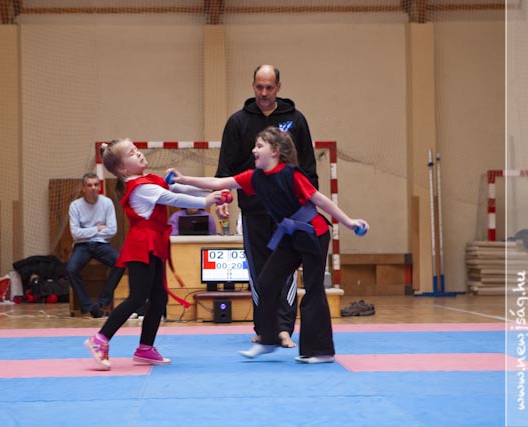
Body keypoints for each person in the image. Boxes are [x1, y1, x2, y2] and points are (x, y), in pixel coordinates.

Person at [168, 126, 369, 363]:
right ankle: (268, 339)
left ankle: (321, 351)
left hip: (313, 233)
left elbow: (320, 200)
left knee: (313, 290)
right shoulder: (254, 177)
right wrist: (182, 179)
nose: (254, 150)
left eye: (259, 146)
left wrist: (348, 222)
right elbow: (218, 182)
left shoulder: (292, 175)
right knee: (266, 282)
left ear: (274, 151)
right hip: (290, 235)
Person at [84, 138, 224, 370]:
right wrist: (205, 201)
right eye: (131, 153)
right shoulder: (141, 187)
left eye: (136, 149)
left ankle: (145, 347)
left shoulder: (150, 180)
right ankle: (100, 339)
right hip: (142, 244)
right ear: (122, 169)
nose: (139, 153)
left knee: (159, 298)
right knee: (137, 297)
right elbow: (173, 198)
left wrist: (213, 190)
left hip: (155, 242)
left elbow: (179, 189)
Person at [215, 64, 319, 348]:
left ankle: (284, 328)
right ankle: (264, 328)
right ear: (253, 86)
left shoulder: (295, 120)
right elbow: (226, 167)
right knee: (259, 271)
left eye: (269, 88)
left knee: (285, 269)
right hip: (253, 209)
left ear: (278, 88)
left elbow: (308, 165)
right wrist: (222, 197)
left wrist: (310, 202)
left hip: (289, 210)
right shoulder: (238, 122)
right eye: (259, 87)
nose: (263, 93)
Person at [67, 172, 125, 318]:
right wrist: (97, 228)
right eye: (89, 185)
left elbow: (112, 230)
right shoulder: (75, 206)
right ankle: (88, 306)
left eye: (96, 185)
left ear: (99, 187)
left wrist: (87, 231)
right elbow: (76, 234)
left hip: (101, 244)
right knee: (71, 269)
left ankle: (101, 303)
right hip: (82, 245)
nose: (93, 188)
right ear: (83, 188)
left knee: (120, 262)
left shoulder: (107, 203)